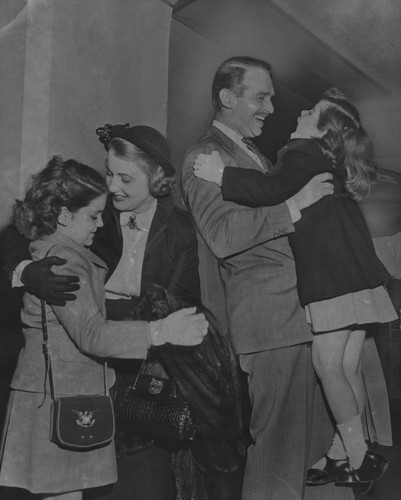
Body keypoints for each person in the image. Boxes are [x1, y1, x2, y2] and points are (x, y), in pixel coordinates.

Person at [193, 86, 397, 489]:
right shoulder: (330, 163)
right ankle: (343, 450)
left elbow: (268, 190)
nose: (303, 110)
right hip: (363, 283)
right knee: (347, 367)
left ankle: (359, 456)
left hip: (332, 284)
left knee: (327, 366)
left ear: (322, 132)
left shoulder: (300, 153)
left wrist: (220, 174)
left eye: (313, 110)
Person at [0, 124, 203, 500]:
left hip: (126, 367)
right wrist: (26, 270)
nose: (113, 187)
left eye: (125, 178)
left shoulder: (179, 227)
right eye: (110, 174)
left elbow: (182, 298)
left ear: (156, 179)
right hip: (78, 369)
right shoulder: (91, 206)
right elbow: (18, 236)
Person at [180, 55, 338, 500]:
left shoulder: (255, 155)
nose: (270, 107)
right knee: (279, 454)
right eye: (260, 96)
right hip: (270, 322)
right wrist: (294, 206)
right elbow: (223, 235)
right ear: (228, 98)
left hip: (297, 314)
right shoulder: (205, 157)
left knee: (316, 450)